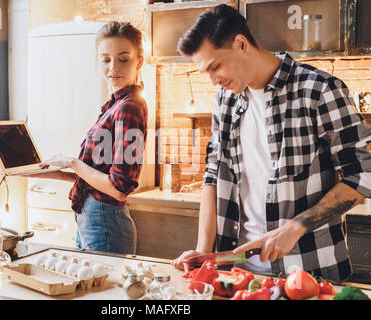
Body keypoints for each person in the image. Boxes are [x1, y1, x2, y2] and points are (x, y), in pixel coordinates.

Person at [171, 4, 371, 280]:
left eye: (215, 66)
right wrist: (203, 252)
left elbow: (363, 174)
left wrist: (295, 227)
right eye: (206, 72)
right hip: (239, 274)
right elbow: (214, 173)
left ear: (241, 44)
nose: (213, 80)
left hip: (309, 273)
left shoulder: (319, 91)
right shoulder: (224, 101)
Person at [25, 21, 147, 255]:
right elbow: (96, 180)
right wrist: (47, 172)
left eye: (123, 59)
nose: (113, 67)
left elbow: (119, 188)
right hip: (91, 221)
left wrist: (72, 162)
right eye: (105, 59)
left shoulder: (129, 107)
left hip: (105, 223)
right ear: (97, 61)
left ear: (139, 61)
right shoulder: (115, 106)